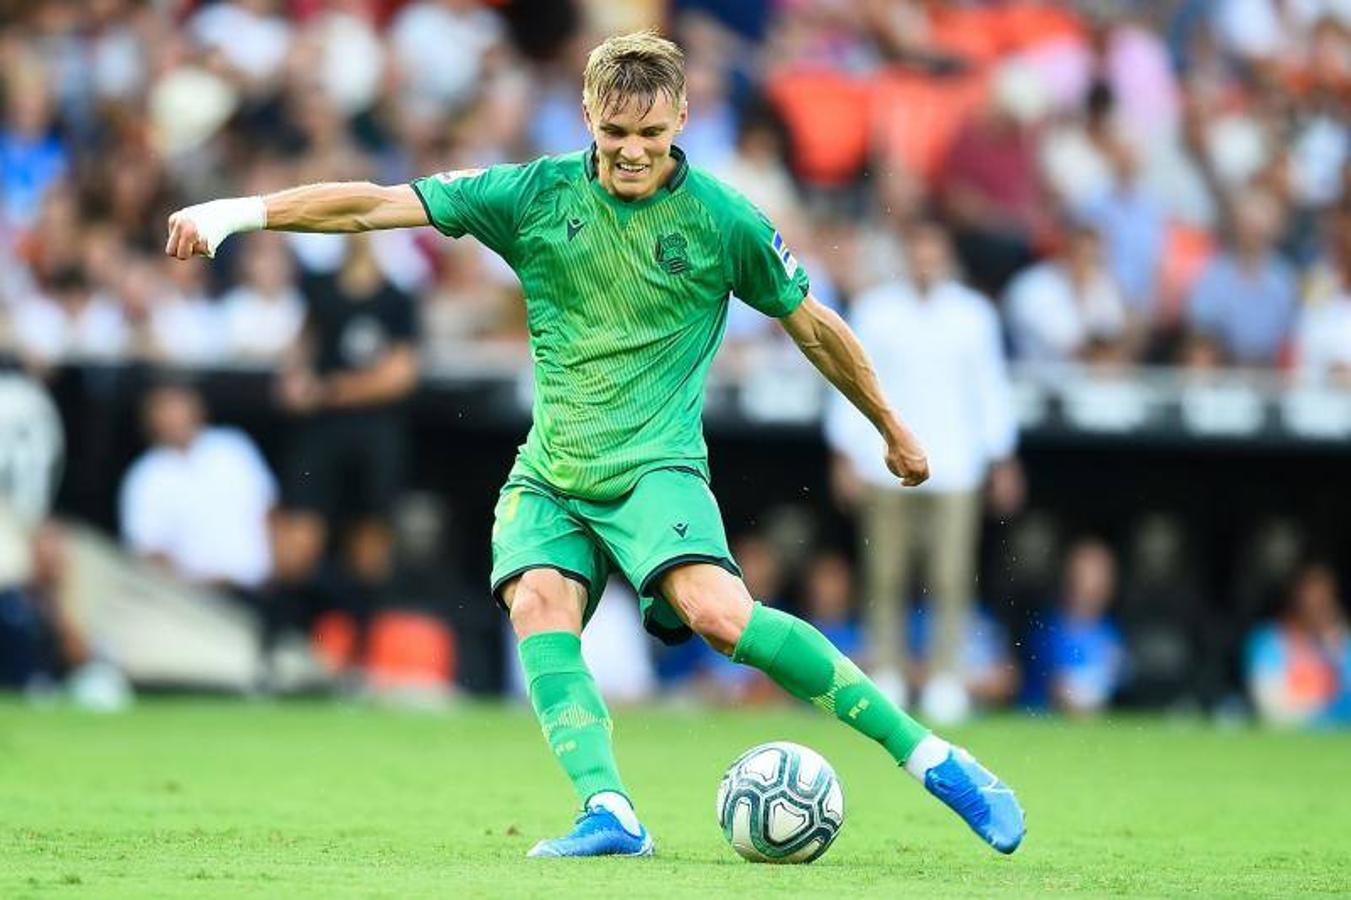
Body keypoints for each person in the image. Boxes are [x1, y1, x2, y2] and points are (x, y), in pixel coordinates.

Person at [163, 31, 1024, 858]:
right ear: (586, 115)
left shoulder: (723, 219)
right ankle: (609, 810)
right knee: (539, 600)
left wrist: (891, 425)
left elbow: (814, 326)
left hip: (656, 469)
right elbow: (376, 205)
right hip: (553, 471)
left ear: (681, 119)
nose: (632, 151)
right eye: (615, 132)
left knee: (719, 615)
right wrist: (236, 213)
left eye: (650, 132)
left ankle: (934, 759)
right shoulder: (532, 195)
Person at [826, 222, 1022, 722]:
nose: (926, 261)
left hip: (956, 464)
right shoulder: (876, 311)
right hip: (882, 463)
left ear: (947, 257)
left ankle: (945, 678)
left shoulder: (973, 315)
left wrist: (1002, 456)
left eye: (934, 252)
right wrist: (844, 452)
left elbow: (990, 387)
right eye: (918, 251)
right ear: (906, 255)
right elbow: (850, 381)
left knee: (951, 577)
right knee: (885, 573)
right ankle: (887, 673)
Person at [1245, 562, 1350, 728]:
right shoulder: (1270, 641)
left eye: (1325, 595)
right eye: (1311, 593)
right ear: (1295, 596)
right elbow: (1270, 708)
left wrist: (1336, 643)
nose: (1318, 602)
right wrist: (1322, 713)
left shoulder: (1337, 642)